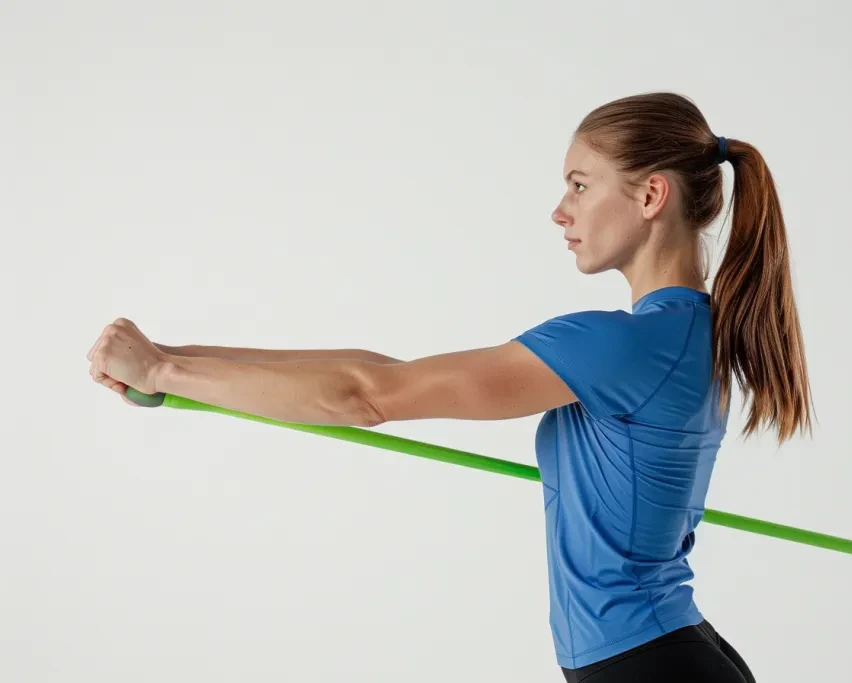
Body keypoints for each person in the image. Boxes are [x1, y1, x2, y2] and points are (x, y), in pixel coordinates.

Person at [87, 91, 811, 682]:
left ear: (651, 195)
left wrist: (165, 374)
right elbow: (381, 374)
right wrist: (170, 356)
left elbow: (364, 396)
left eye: (580, 184)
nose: (561, 209)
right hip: (668, 657)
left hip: (649, 668)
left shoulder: (616, 345)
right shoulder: (686, 335)